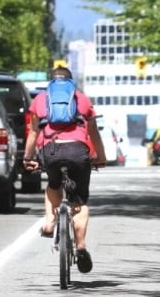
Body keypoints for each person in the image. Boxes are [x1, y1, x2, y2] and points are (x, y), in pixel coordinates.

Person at [23, 66, 105, 274]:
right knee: (80, 200)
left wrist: (27, 158)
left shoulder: (41, 99)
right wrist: (100, 157)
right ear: (71, 82)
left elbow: (33, 133)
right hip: (78, 150)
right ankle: (81, 245)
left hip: (50, 149)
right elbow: (93, 132)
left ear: (52, 82)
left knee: (53, 184)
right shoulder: (81, 99)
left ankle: (50, 222)